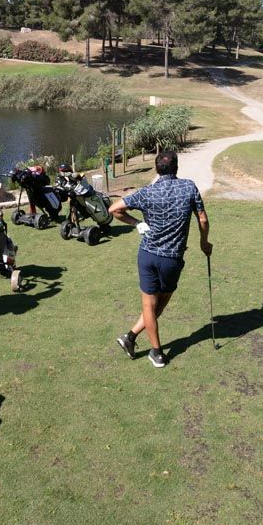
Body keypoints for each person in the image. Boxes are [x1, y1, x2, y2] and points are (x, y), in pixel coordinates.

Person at [108, 150, 211, 368]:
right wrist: (204, 242)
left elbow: (114, 209)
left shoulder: (147, 192)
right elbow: (202, 218)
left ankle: (130, 338)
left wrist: (136, 223)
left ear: (157, 168)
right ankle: (156, 352)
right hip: (172, 259)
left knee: (151, 305)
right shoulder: (188, 187)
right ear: (176, 168)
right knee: (158, 304)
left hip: (147, 255)